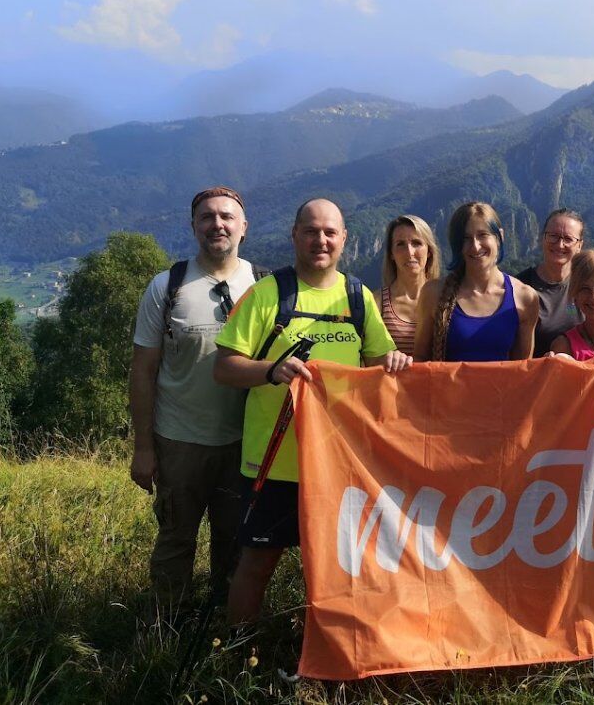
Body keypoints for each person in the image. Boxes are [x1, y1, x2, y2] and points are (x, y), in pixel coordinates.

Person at [213, 198, 411, 626]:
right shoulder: (267, 295)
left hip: (338, 464)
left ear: (344, 239)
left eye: (329, 232)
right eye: (311, 231)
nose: (320, 240)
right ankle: (234, 655)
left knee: (337, 571)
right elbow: (224, 367)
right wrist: (270, 370)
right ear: (295, 236)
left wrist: (394, 361)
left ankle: (326, 659)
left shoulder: (357, 298)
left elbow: (380, 359)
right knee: (257, 564)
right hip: (273, 462)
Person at [128, 185, 257, 617]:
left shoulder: (264, 288)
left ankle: (224, 625)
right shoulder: (167, 288)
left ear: (244, 227)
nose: (217, 224)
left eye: (226, 217)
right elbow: (143, 371)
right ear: (194, 226)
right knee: (175, 540)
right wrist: (143, 448)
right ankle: (168, 627)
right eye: (207, 217)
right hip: (179, 441)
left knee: (234, 540)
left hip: (244, 444)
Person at [413, 201, 539, 362]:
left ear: (500, 236)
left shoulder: (525, 298)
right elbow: (420, 358)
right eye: (466, 239)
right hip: (446, 388)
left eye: (482, 235)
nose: (475, 246)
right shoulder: (433, 293)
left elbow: (523, 370)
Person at [517, 209, 584, 356]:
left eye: (568, 239)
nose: (560, 245)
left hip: (584, 374)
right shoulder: (520, 287)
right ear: (543, 238)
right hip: (536, 375)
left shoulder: (587, 285)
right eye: (553, 236)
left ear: (579, 245)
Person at [376, 214, 441, 357]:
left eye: (417, 243)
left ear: (429, 251)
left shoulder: (444, 299)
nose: (409, 252)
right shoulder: (377, 303)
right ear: (391, 254)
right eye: (400, 244)